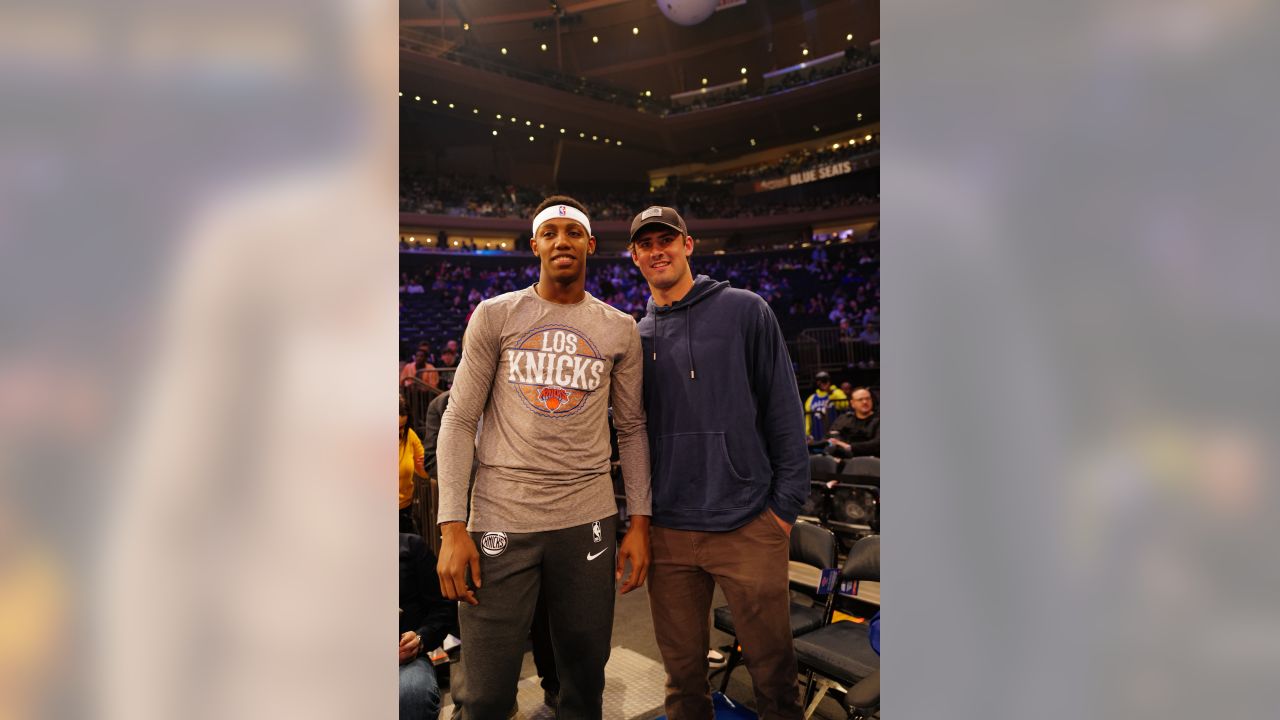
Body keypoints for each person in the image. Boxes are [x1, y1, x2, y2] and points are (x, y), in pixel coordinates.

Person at [435, 195, 652, 719]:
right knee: (485, 694)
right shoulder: (496, 315)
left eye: (573, 233)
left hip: (588, 520)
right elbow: (459, 420)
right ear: (534, 244)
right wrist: (451, 525)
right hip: (500, 518)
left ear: (590, 246)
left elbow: (633, 428)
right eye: (550, 232)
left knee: (583, 683)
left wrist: (640, 522)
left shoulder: (619, 327)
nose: (562, 241)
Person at [628, 206, 808, 719]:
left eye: (667, 238)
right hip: (669, 529)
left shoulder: (746, 310)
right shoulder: (635, 337)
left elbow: (783, 412)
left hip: (749, 521)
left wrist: (782, 511)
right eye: (646, 243)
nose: (657, 249)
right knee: (683, 679)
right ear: (635, 256)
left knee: (774, 674)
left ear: (688, 244)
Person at [400, 533, 459, 720]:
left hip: (405, 659)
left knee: (413, 693)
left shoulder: (411, 547)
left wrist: (419, 638)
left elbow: (442, 609)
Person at [826, 387, 880, 458]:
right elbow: (832, 436)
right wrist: (841, 445)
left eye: (868, 399)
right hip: (846, 459)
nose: (865, 402)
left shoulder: (879, 420)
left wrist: (849, 447)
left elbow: (877, 444)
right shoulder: (844, 419)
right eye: (860, 400)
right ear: (852, 403)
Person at [400, 395, 426, 534]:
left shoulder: (409, 436)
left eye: (402, 426)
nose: (400, 432)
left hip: (404, 510)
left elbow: (423, 470)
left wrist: (424, 467)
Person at [804, 371, 848, 442]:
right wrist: (806, 433)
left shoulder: (836, 392)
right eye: (820, 381)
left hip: (834, 430)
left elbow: (845, 404)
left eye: (825, 380)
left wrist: (831, 392)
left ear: (829, 381)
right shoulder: (811, 398)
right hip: (817, 431)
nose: (823, 383)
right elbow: (808, 418)